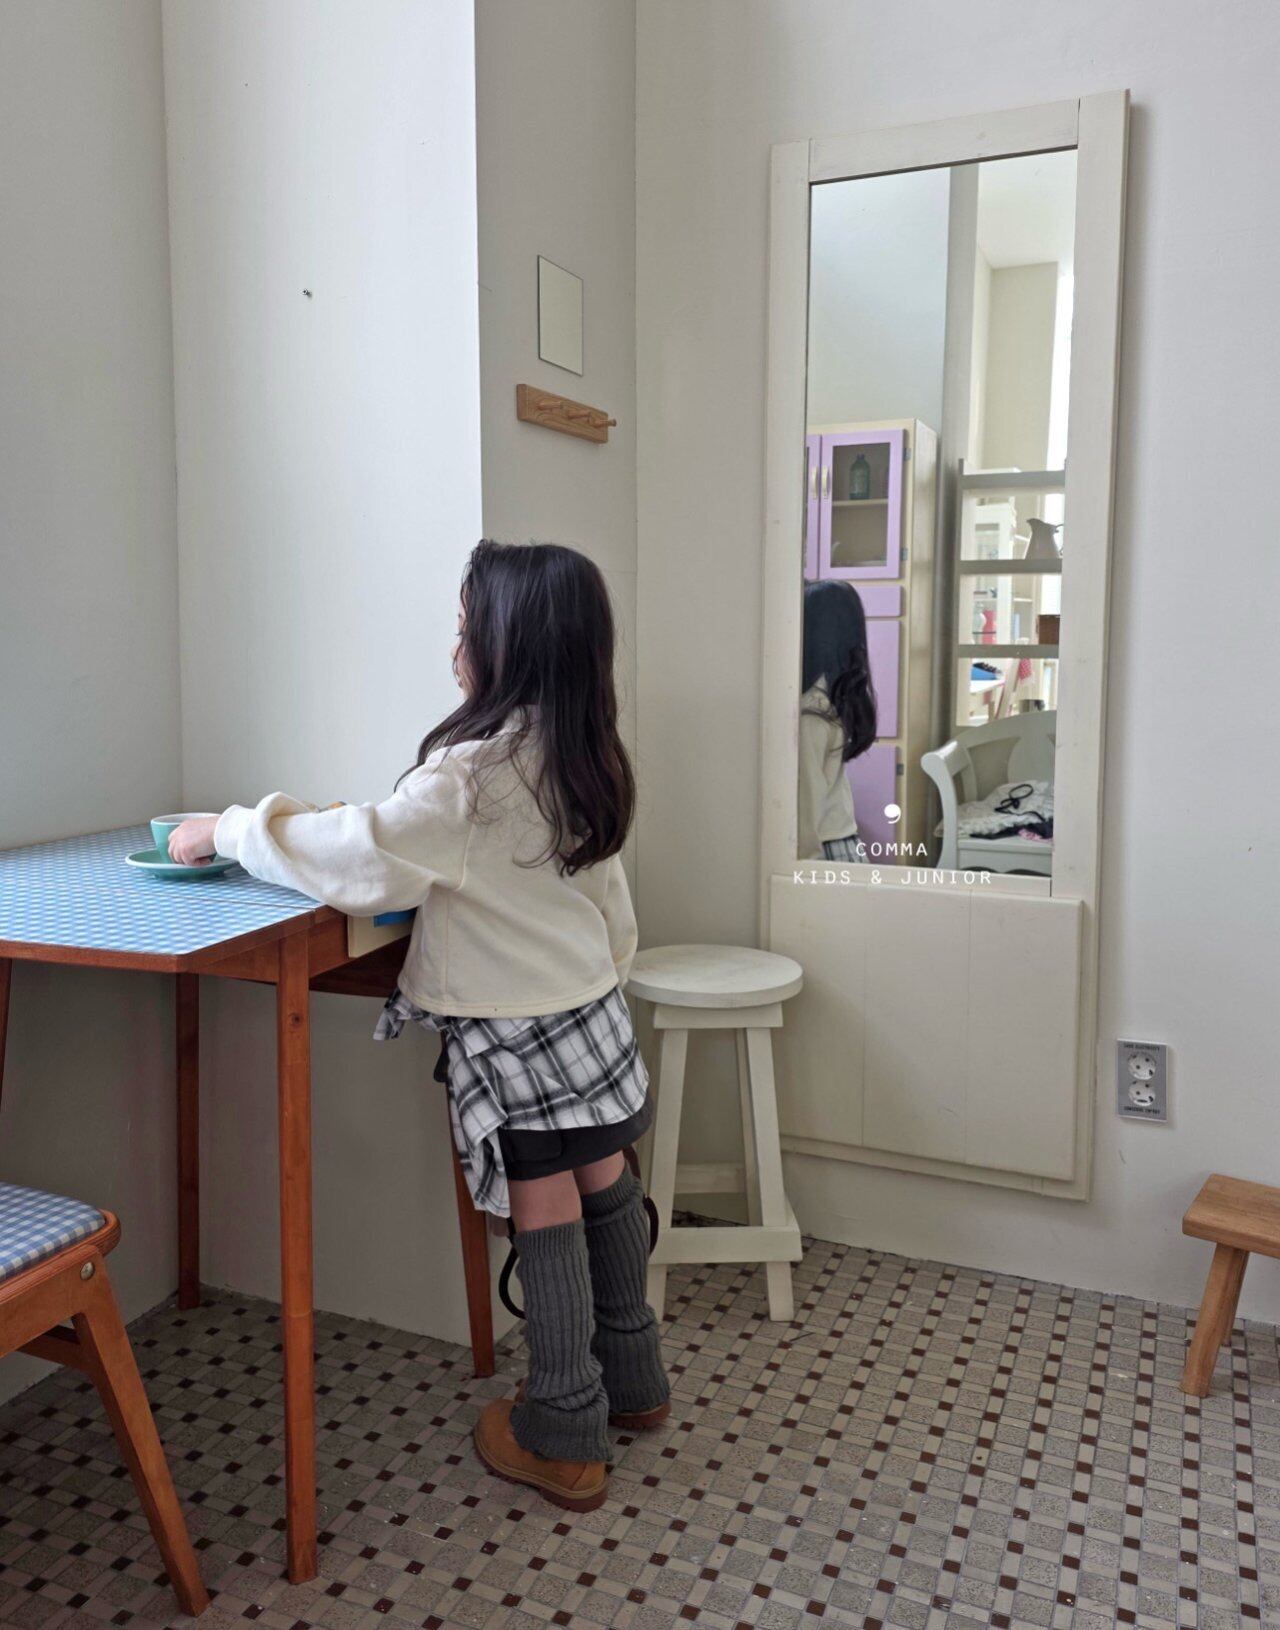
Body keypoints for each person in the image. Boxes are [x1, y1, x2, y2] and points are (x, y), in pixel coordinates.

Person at [169, 540, 670, 1514]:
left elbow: (359, 854)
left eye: (463, 629)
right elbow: (609, 905)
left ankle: (565, 1428)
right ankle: (634, 1377)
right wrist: (602, 981)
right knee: (606, 1180)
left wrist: (226, 829)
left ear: (508, 645)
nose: (453, 648)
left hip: (519, 1041)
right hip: (592, 1022)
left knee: (544, 1208)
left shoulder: (469, 777)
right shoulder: (584, 758)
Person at [797, 579, 877, 862]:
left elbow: (805, 808)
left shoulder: (811, 711)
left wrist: (798, 871)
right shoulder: (831, 698)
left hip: (824, 850)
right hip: (841, 842)